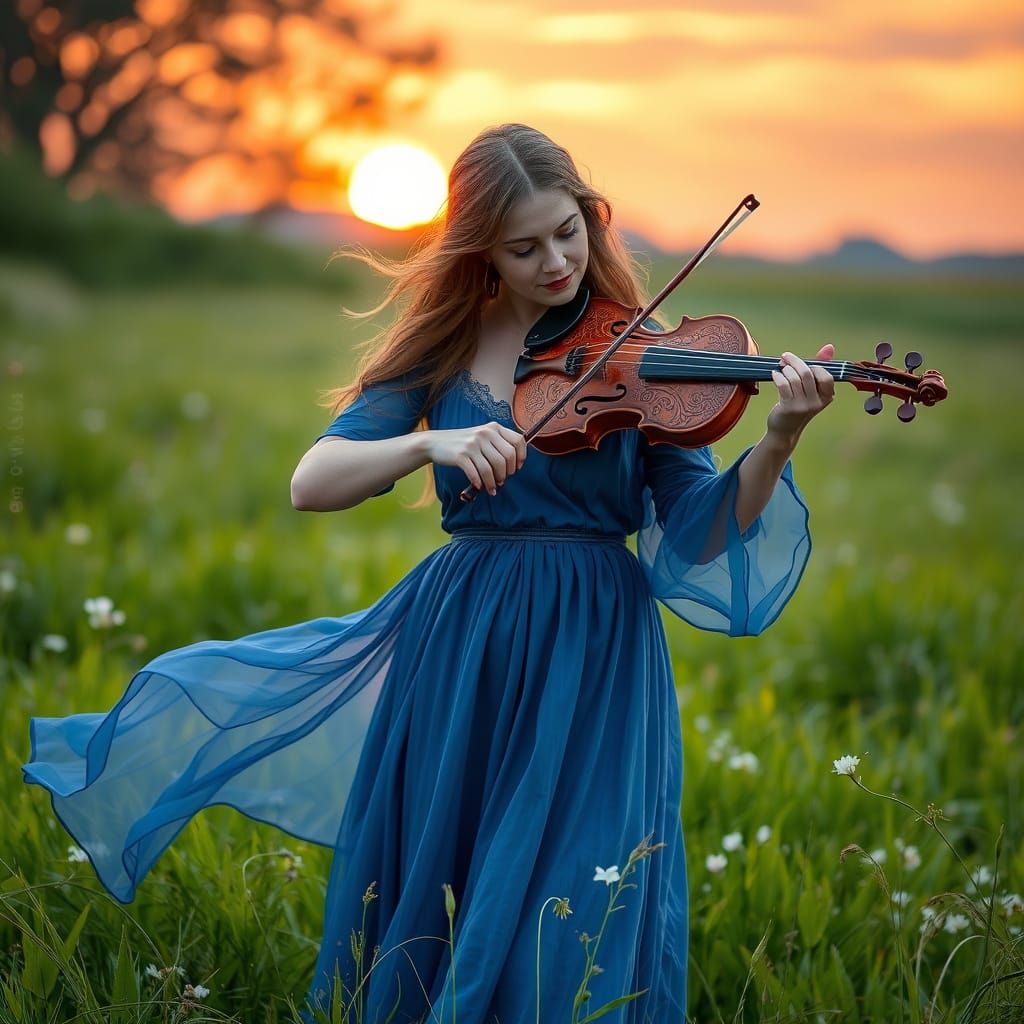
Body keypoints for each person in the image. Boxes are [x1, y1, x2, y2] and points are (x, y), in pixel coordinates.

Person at [23, 123, 834, 1023]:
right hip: (467, 641)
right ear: (479, 248)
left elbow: (700, 532)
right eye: (523, 248)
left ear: (592, 220)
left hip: (597, 654)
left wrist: (779, 438)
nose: (556, 262)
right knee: (455, 868)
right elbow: (312, 481)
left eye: (568, 232)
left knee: (579, 881)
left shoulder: (641, 358)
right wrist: (428, 442)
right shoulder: (446, 345)